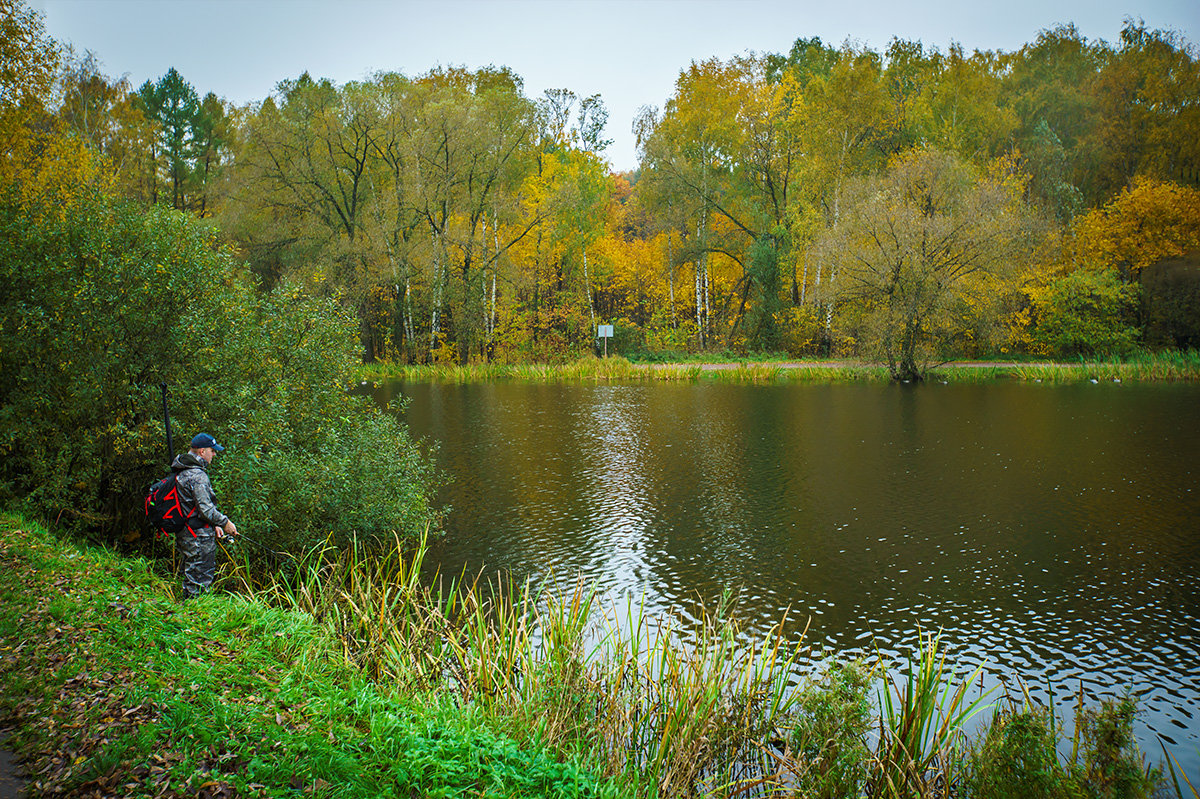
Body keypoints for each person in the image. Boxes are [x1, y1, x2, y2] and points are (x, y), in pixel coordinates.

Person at [172, 432, 237, 599]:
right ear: (202, 451)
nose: (214, 454)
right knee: (200, 581)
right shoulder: (197, 475)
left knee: (192, 577)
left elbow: (194, 506)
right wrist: (225, 522)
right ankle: (194, 617)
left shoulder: (183, 470)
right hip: (197, 537)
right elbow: (206, 510)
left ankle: (187, 614)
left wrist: (214, 525)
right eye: (212, 450)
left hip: (188, 533)